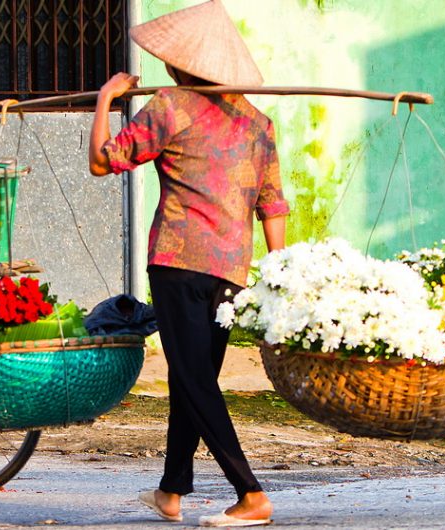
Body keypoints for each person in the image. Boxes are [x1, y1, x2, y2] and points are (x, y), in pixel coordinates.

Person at [87, 1, 288, 527]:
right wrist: (280, 271)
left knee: (194, 380)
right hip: (231, 272)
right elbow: (273, 203)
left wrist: (107, 99)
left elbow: (102, 162)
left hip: (177, 262)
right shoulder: (258, 122)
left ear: (180, 65)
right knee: (191, 378)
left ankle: (251, 494)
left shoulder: (170, 106)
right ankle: (171, 489)